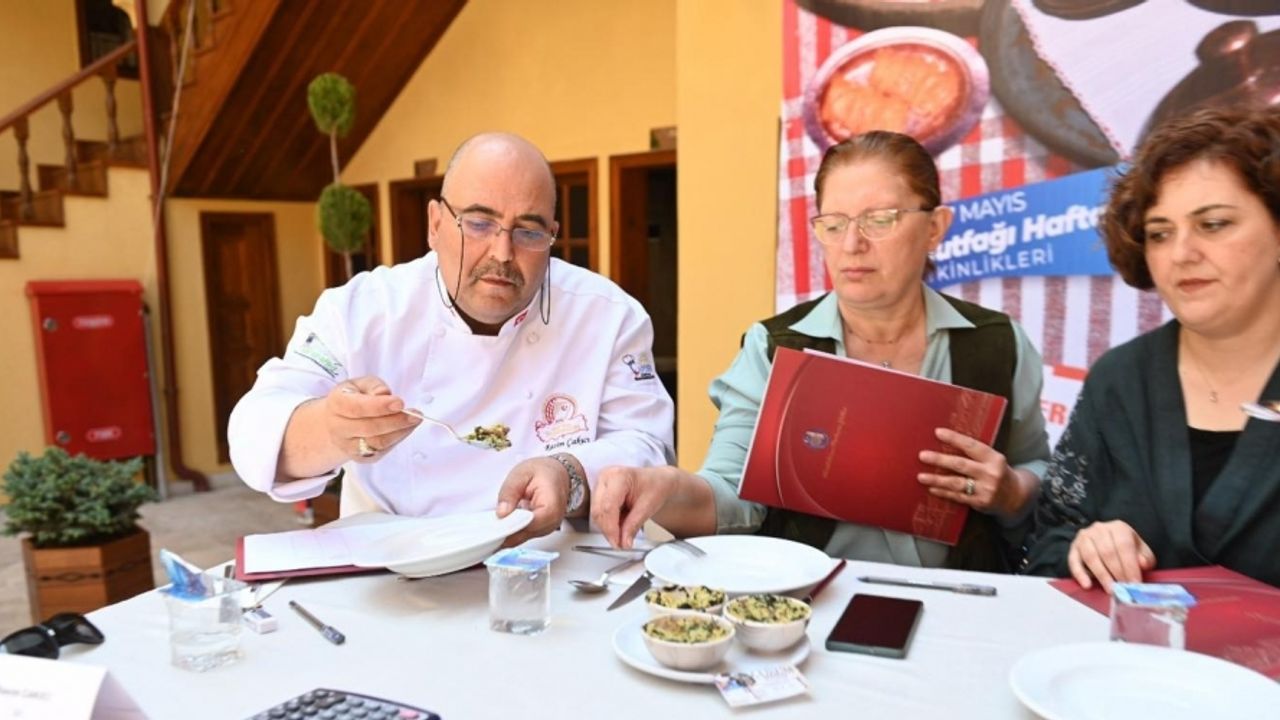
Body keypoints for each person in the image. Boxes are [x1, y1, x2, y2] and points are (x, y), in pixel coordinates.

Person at [591, 131, 1050, 571]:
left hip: (965, 602)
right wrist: (664, 487)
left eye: (880, 220)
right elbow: (730, 493)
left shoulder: (997, 344)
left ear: (935, 227)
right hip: (812, 601)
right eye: (833, 224)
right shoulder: (774, 348)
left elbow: (1039, 469)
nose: (852, 244)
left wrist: (1013, 491)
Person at [228, 132, 674, 546]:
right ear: (435, 223)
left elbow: (648, 447)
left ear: (552, 235)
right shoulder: (363, 310)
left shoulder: (607, 316)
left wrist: (570, 474)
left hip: (551, 564)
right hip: (394, 562)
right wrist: (331, 427)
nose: (502, 253)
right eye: (478, 223)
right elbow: (254, 431)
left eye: (529, 231)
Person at [1022, 106, 1280, 590]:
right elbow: (1047, 543)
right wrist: (1085, 548)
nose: (1182, 253)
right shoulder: (1120, 379)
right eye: (1160, 233)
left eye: (1214, 224)